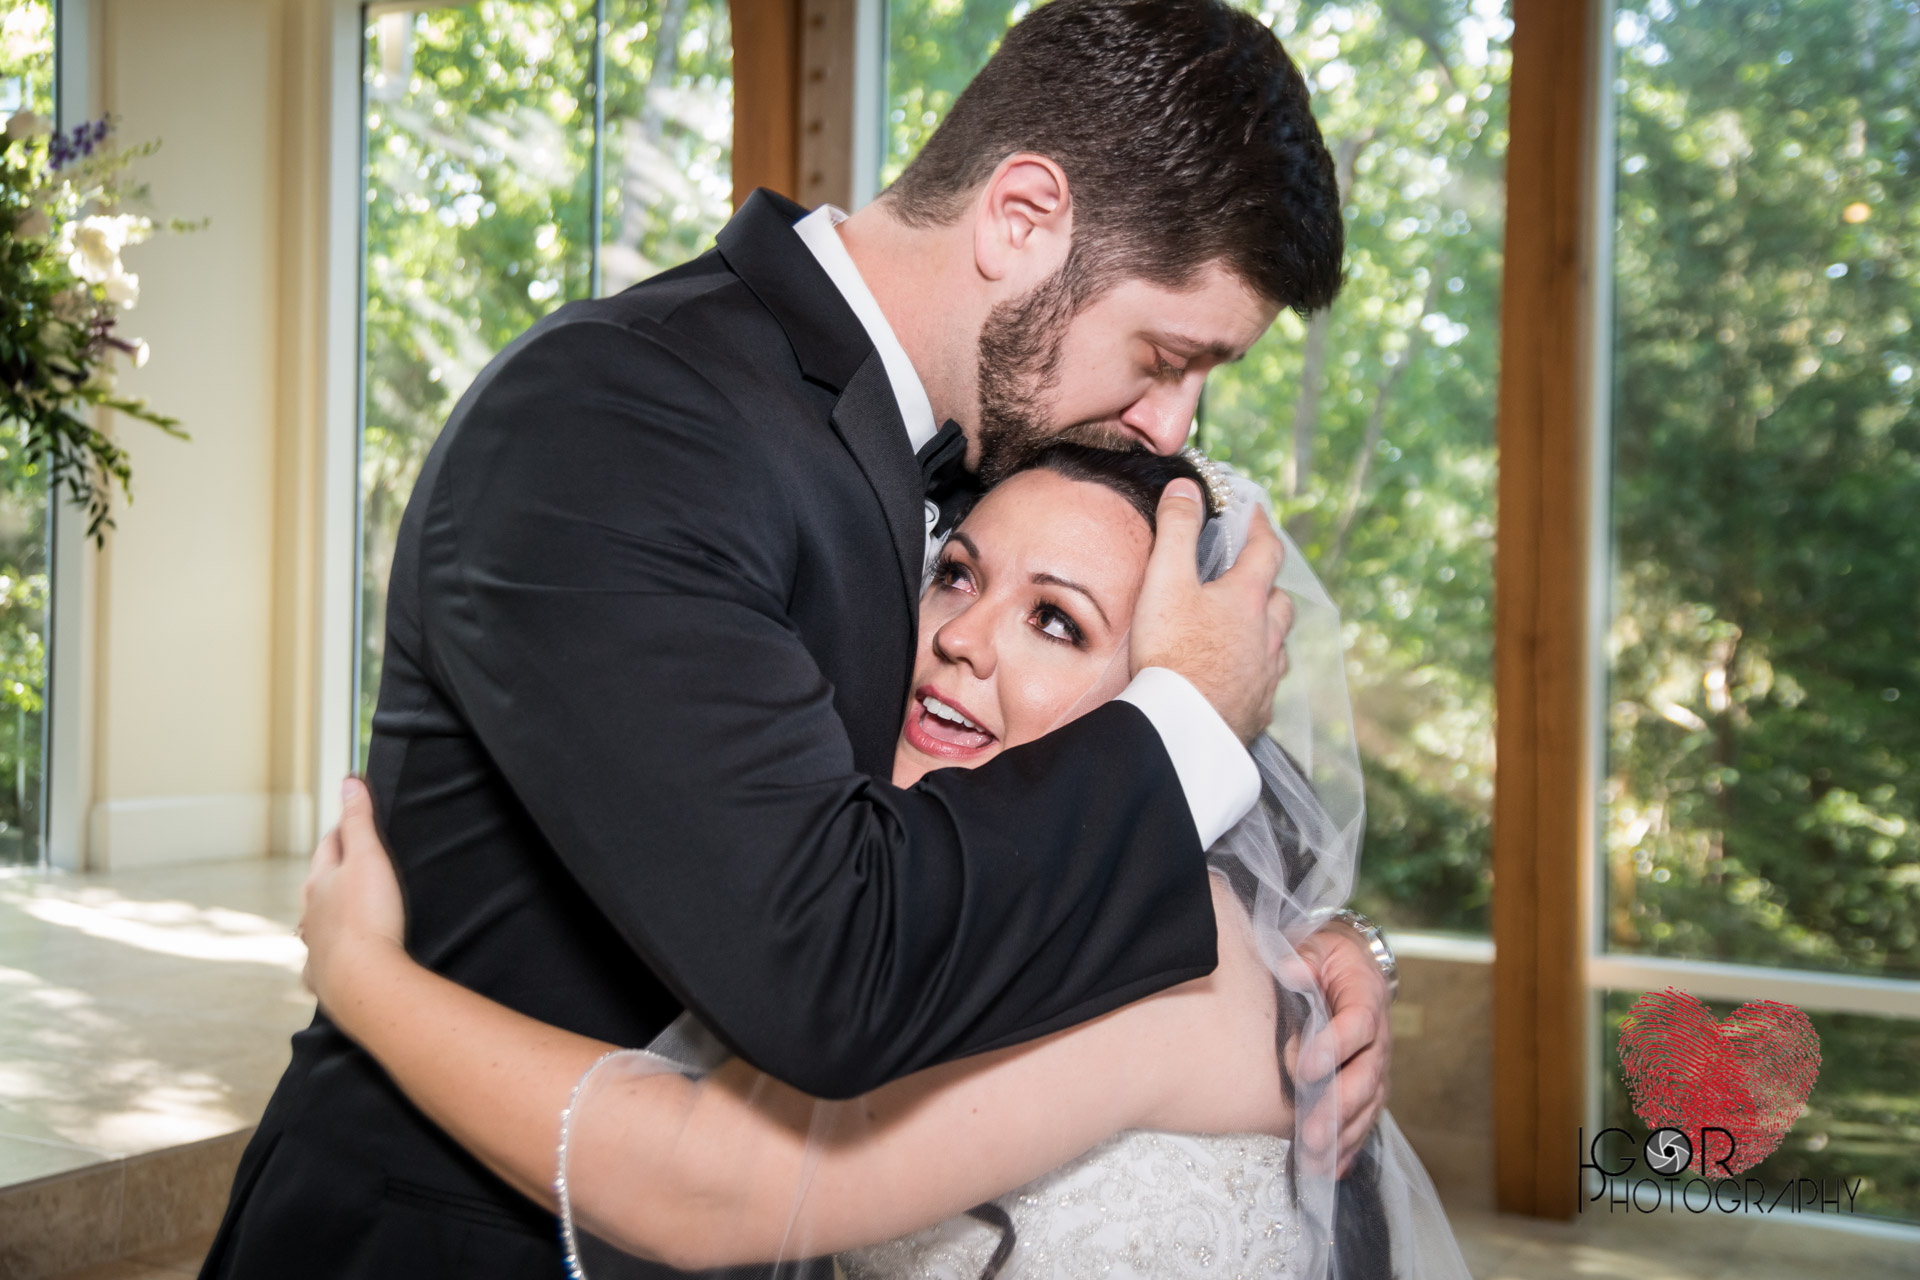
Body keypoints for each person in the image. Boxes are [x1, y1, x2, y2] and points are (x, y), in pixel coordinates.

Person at [202, 4, 1392, 1276]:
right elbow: (825, 963)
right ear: (1023, 215)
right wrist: (1186, 720)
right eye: (1164, 356)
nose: (1169, 424)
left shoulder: (976, 455)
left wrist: (1314, 946)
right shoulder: (623, 412)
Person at [298, 446, 1470, 1279]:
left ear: (1177, 704)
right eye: (958, 572)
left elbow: (698, 1181)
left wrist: (361, 972)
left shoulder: (1168, 947)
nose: (959, 635)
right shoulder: (938, 885)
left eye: (1055, 621)